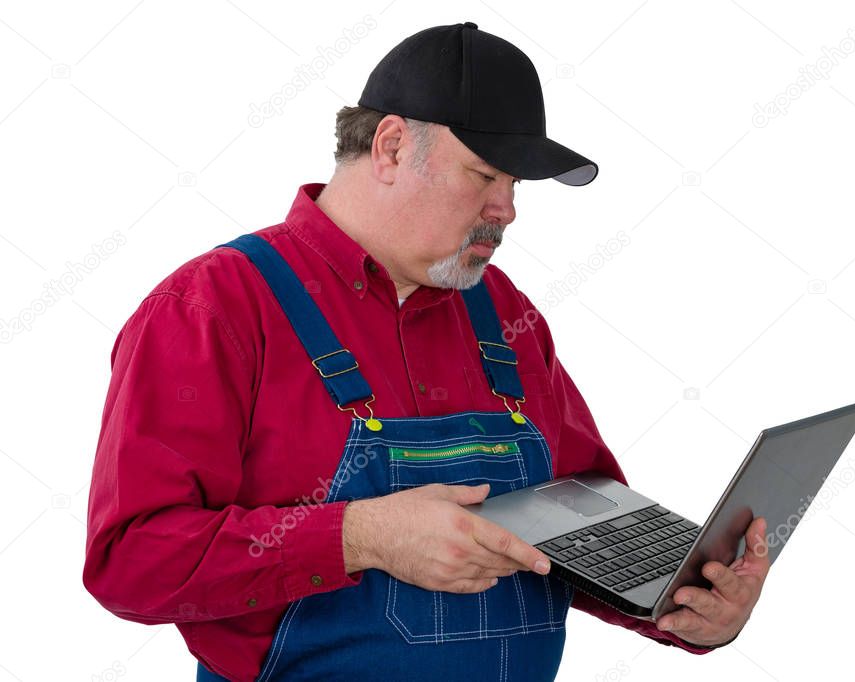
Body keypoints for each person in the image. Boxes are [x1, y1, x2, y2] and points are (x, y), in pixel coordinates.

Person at [83, 21, 769, 681]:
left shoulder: (502, 310)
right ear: (388, 148)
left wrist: (684, 605)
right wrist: (359, 535)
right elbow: (129, 564)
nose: (506, 210)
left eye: (515, 185)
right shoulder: (213, 308)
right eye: (483, 175)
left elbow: (579, 514)